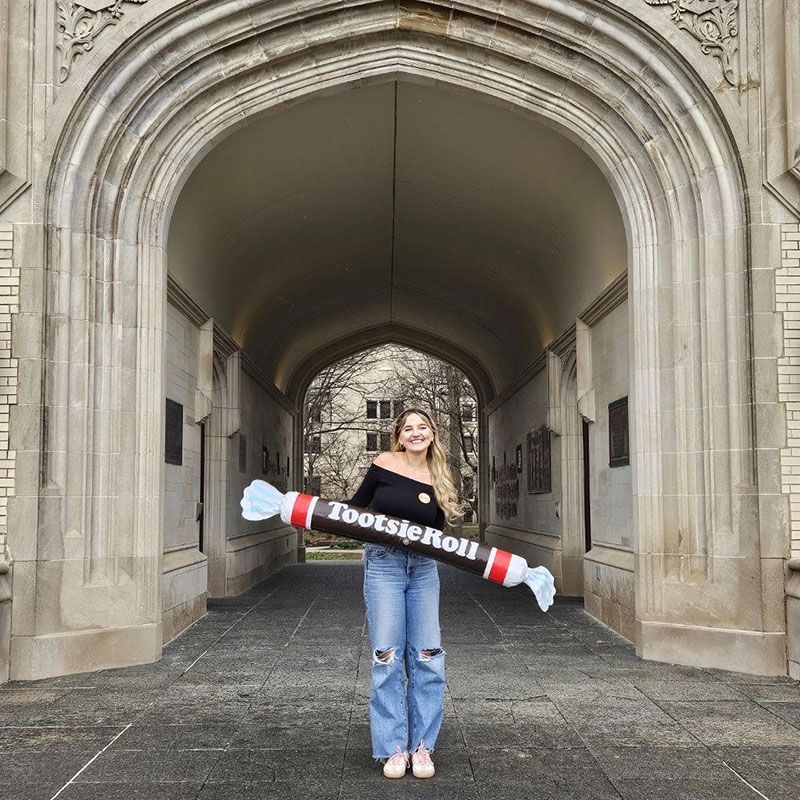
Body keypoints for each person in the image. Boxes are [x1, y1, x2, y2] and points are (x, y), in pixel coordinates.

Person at [349, 407, 467, 779]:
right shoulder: (383, 463)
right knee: (387, 655)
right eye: (408, 429)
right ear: (399, 436)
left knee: (428, 656)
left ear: (432, 434)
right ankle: (393, 748)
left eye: (423, 427)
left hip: (423, 570)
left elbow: (437, 529)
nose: (416, 433)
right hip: (383, 564)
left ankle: (422, 748)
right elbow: (355, 509)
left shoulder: (441, 474)